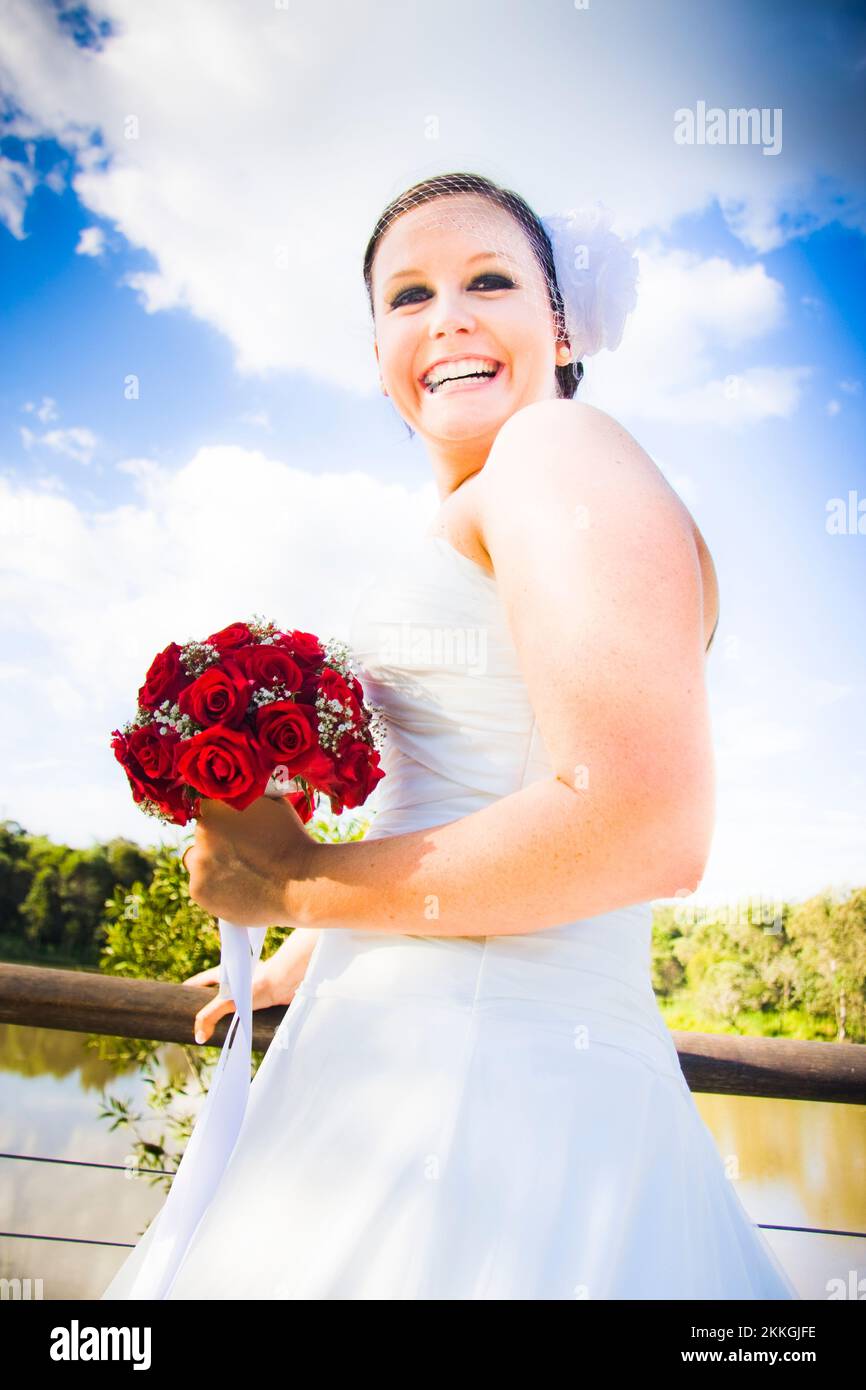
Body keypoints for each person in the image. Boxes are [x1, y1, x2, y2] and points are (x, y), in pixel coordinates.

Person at [101, 171, 796, 1300]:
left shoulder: (558, 450)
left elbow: (641, 821)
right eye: (406, 295)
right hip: (394, 1067)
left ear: (559, 323)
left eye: (488, 280)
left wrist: (293, 884)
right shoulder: (502, 493)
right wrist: (303, 957)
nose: (447, 316)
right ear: (376, 346)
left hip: (491, 1102)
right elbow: (469, 795)